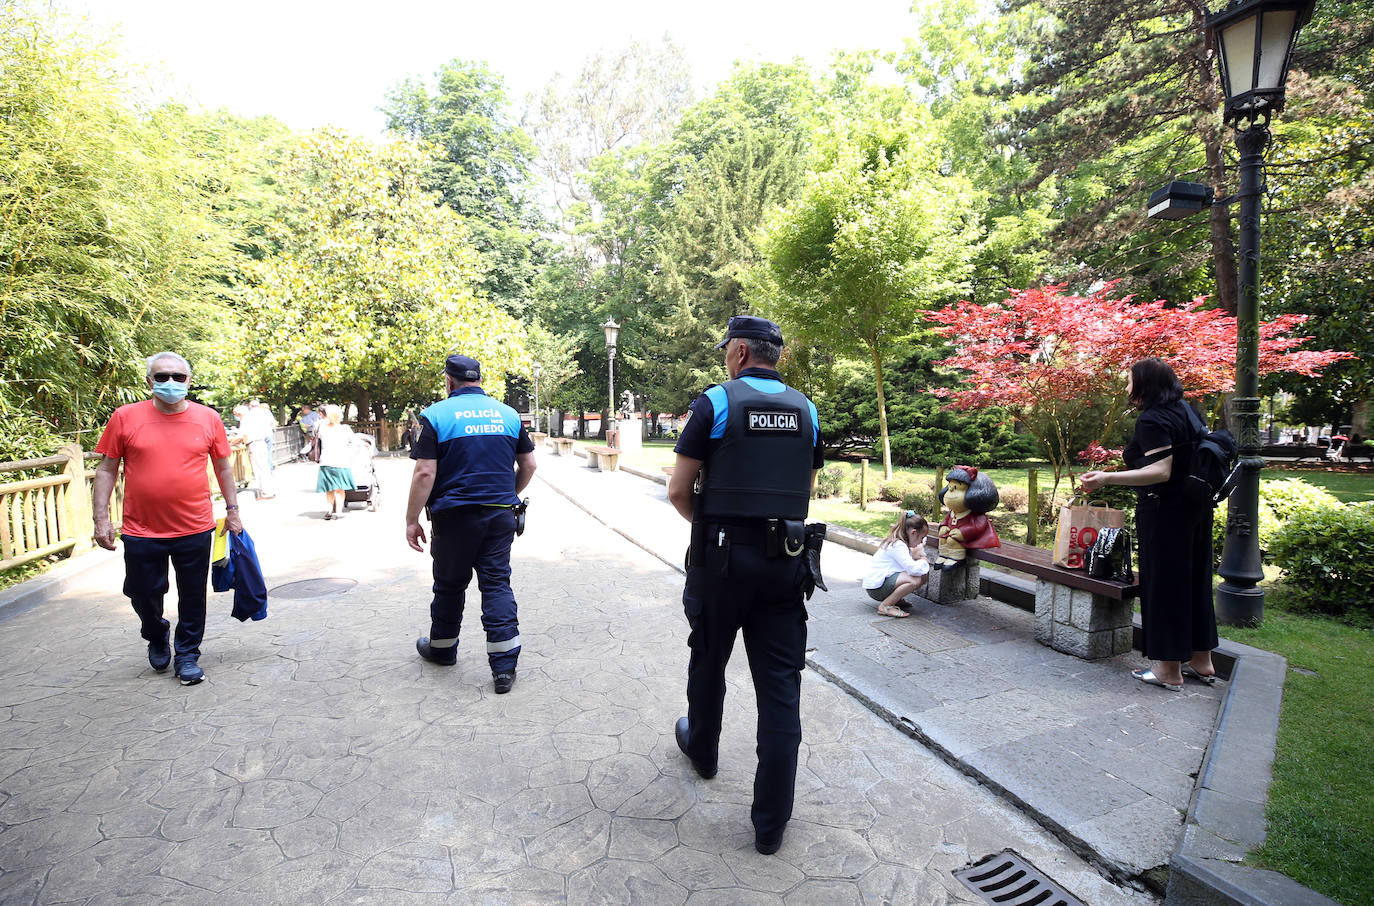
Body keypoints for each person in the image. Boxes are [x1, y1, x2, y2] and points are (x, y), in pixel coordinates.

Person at [666, 315, 824, 856]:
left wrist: (713, 531)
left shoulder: (715, 403)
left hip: (722, 561)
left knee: (709, 658)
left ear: (737, 352)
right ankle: (771, 823)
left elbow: (679, 490)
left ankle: (704, 751)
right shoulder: (808, 410)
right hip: (786, 561)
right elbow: (804, 485)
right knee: (781, 688)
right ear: (773, 356)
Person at [91, 352, 243, 686]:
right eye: (161, 377)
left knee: (192, 595)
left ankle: (187, 654)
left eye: (178, 377)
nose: (170, 383)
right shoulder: (125, 417)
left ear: (188, 380)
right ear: (149, 382)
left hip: (195, 525)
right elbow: (107, 468)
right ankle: (156, 632)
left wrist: (233, 511)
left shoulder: (208, 419)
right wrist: (100, 519)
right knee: (142, 592)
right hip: (141, 528)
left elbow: (223, 466)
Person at [1080, 357, 1217, 691]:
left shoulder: (1152, 419)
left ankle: (1169, 670)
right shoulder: (1187, 410)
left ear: (1145, 384)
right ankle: (1202, 660)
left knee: (1165, 585)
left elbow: (1160, 471)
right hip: (1196, 509)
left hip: (1164, 511)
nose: (1127, 388)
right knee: (1195, 579)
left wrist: (1106, 477)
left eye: (1129, 381)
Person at [406, 354, 536, 694]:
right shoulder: (508, 414)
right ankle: (504, 669)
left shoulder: (436, 416)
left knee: (449, 585)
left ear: (449, 381)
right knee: (496, 584)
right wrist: (509, 493)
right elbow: (529, 465)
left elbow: (424, 472)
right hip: (499, 516)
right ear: (478, 379)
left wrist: (411, 519)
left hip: (454, 517)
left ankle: (443, 648)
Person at [862, 511, 931, 617]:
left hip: (879, 583)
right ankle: (885, 606)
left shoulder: (900, 542)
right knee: (914, 580)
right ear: (913, 533)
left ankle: (895, 600)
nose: (921, 542)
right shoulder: (898, 545)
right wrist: (924, 561)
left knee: (922, 575)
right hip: (876, 589)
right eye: (921, 538)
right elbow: (912, 569)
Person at [934, 466, 1001, 569]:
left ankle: (956, 557)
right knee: (943, 539)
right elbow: (946, 520)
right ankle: (944, 555)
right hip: (951, 534)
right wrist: (943, 526)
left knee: (952, 541)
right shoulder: (954, 512)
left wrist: (963, 532)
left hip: (968, 539)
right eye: (950, 487)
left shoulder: (976, 515)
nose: (950, 492)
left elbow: (978, 527)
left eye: (956, 488)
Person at [316, 405, 356, 520]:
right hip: (341, 461)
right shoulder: (345, 429)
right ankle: (338, 511)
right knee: (340, 489)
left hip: (326, 461)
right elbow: (354, 442)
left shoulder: (322, 428)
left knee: (329, 488)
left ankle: (329, 509)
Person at [241, 400, 276, 499]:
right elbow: (273, 424)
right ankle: (269, 491)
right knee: (265, 467)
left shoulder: (247, 416)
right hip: (263, 441)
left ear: (250, 406)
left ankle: (265, 492)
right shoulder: (265, 414)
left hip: (254, 443)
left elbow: (243, 434)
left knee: (259, 469)